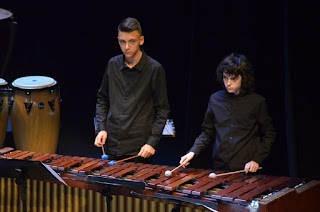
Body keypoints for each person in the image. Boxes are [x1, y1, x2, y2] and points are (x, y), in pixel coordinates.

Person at [180, 53, 276, 173]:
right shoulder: (215, 99)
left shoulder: (257, 102)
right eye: (225, 77)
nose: (228, 83)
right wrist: (192, 152)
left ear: (244, 77)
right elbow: (207, 132)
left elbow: (269, 134)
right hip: (220, 167)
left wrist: (256, 160)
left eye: (233, 78)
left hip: (246, 169)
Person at [94, 17, 170, 163]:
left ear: (141, 40)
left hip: (139, 149)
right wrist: (101, 128)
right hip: (111, 144)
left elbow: (162, 110)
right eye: (122, 41)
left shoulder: (155, 69)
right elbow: (102, 99)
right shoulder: (112, 64)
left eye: (132, 41)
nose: (127, 47)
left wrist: (152, 142)